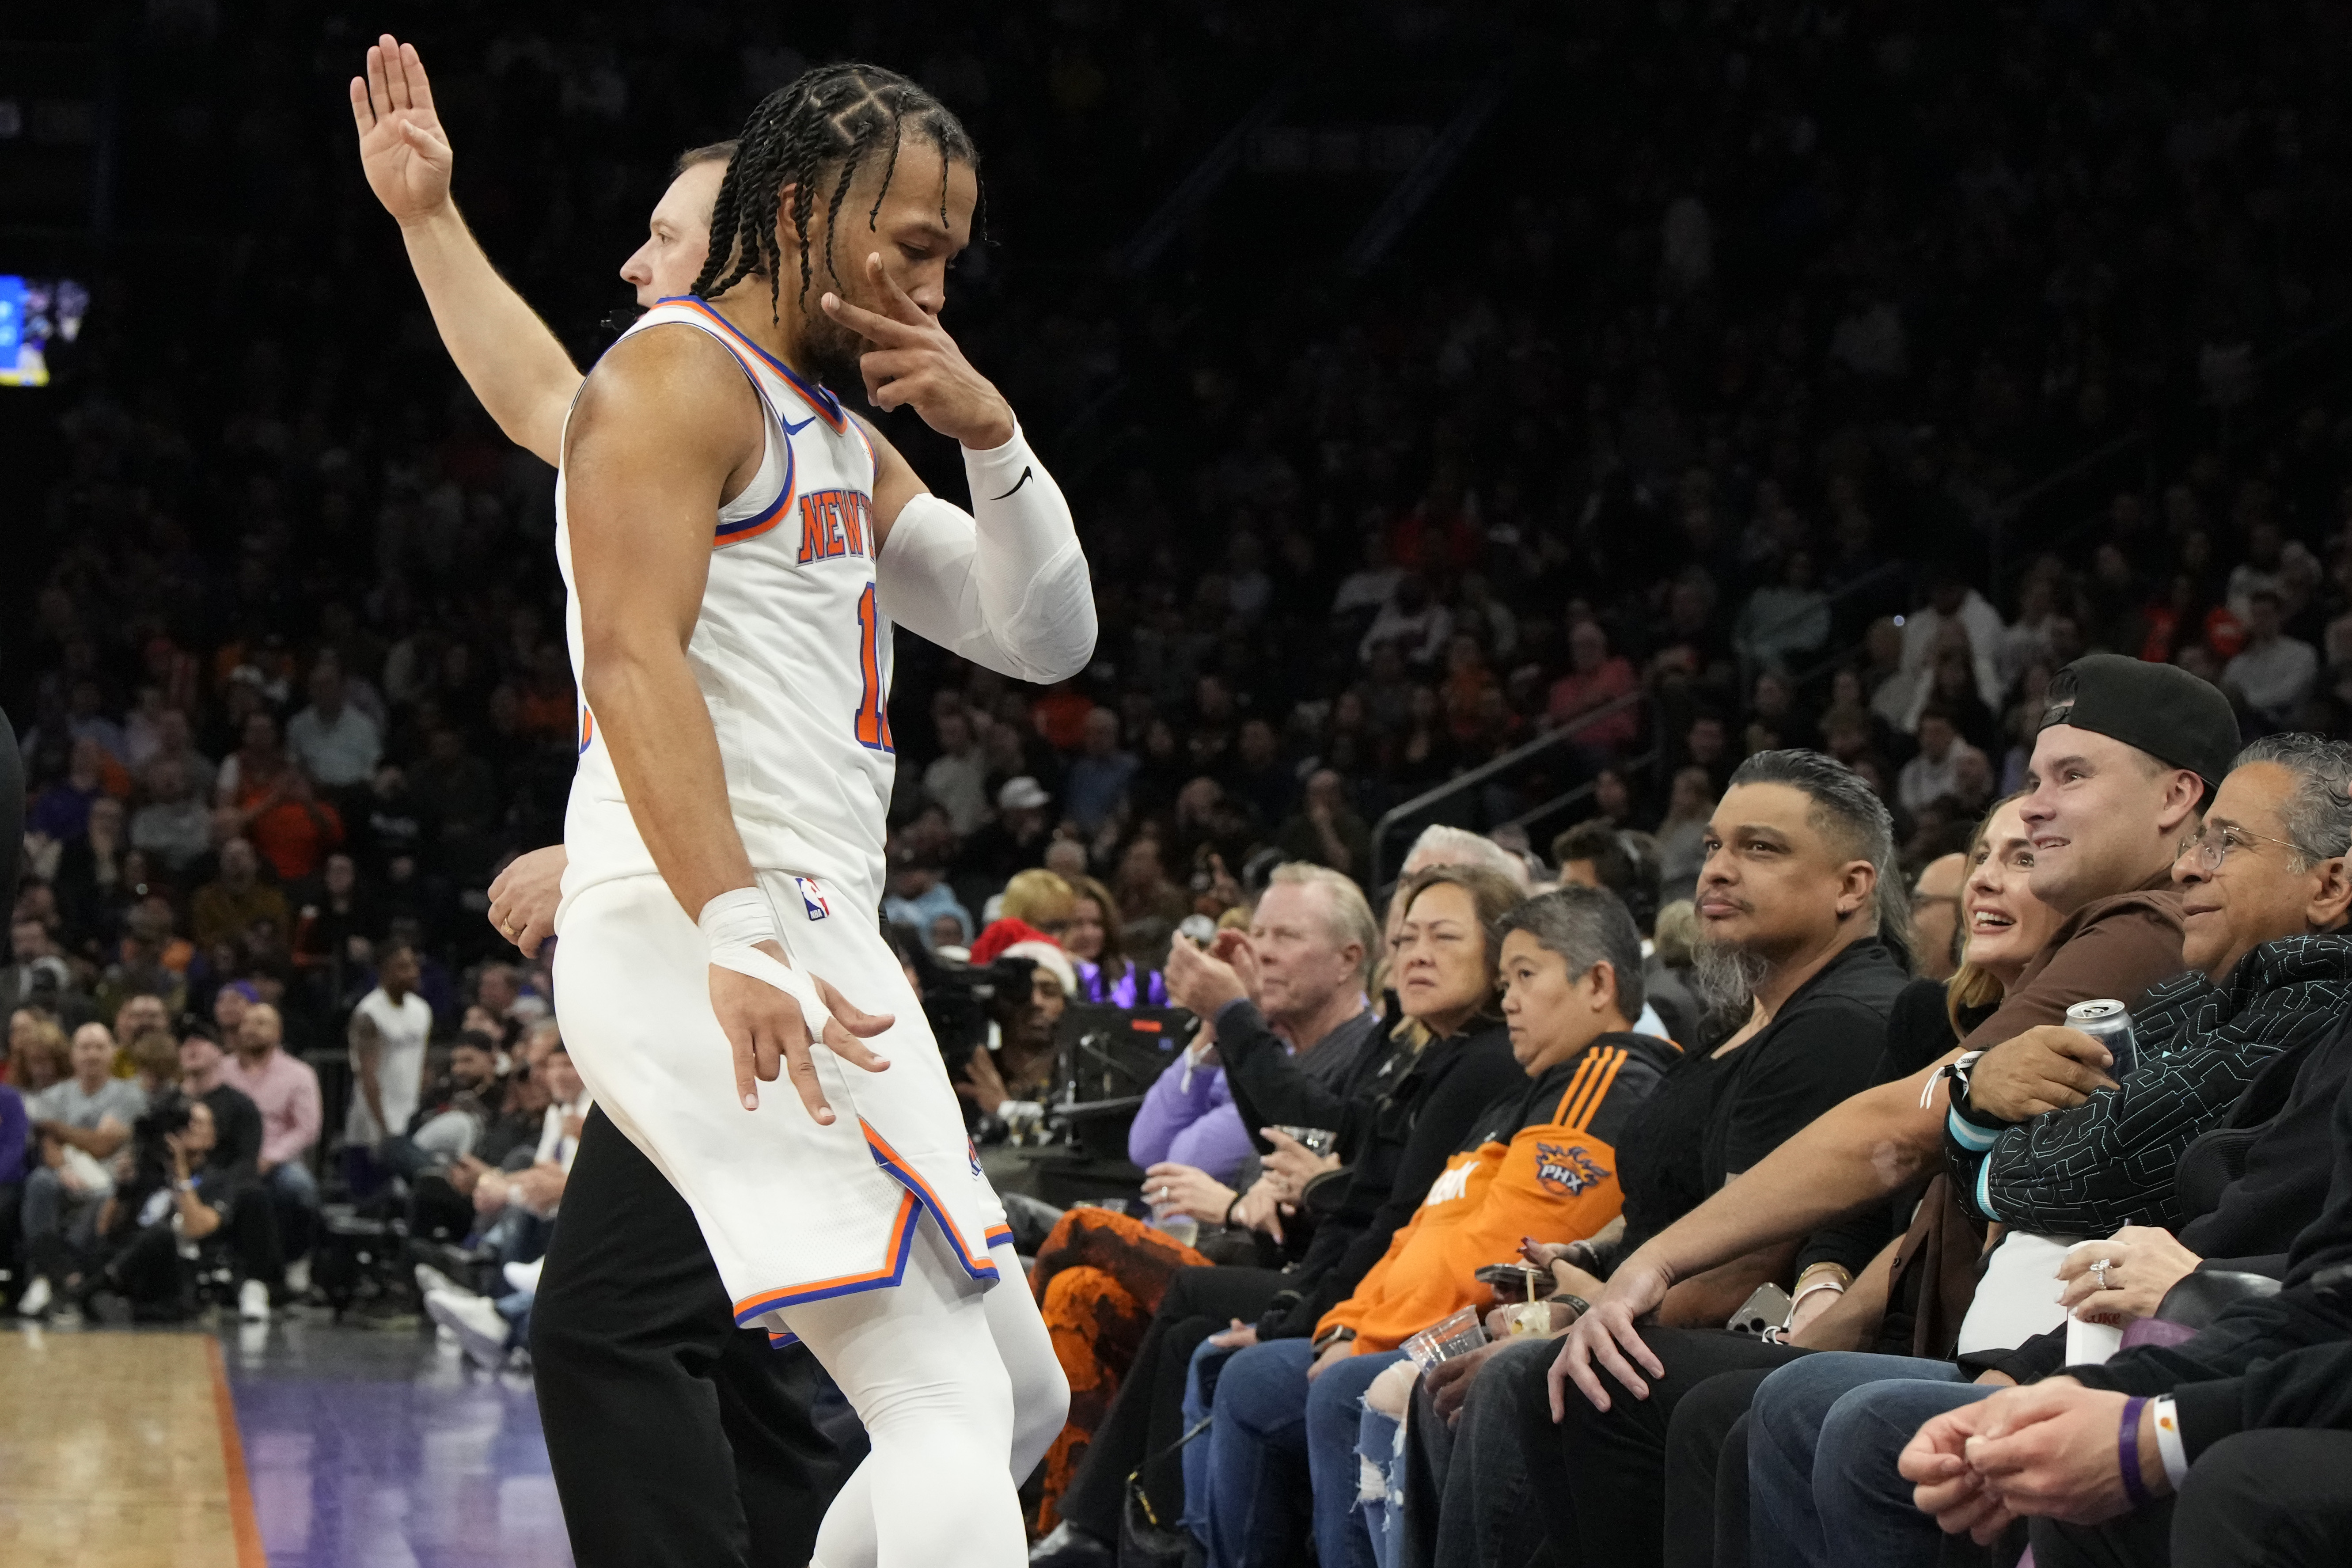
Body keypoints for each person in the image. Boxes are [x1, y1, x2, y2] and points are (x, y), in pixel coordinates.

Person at [356, 41, 1087, 1565]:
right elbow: (634, 653)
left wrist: (991, 432)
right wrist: (728, 919)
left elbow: (1043, 634)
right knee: (933, 1390)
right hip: (738, 923)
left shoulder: (829, 424)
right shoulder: (676, 371)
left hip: (813, 919)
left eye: (950, 257)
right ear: (804, 206)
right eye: (913, 246)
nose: (934, 285)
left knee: (1015, 1393)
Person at [1744, 734, 2352, 1568]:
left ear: (2329, 883)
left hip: (2167, 1357)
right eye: (1985, 847)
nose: (2186, 869)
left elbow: (2066, 1177)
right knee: (1782, 1404)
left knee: (1836, 1418)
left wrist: (2125, 1404)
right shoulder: (2192, 993)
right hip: (2132, 1352)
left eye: (2224, 841)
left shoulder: (2297, 1002)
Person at [1409, 748, 1914, 1568]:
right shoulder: (1746, 1017)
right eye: (1712, 845)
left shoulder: (1841, 1022)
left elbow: (1749, 1262)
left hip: (1742, 1331)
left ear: (1851, 886)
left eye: (1759, 848)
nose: (1715, 869)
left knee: (1510, 1377)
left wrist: (1581, 1313)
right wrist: (1586, 1260)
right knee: (1438, 1359)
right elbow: (1670, 1199)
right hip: (1650, 1304)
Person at [1210, 885, 1677, 1568]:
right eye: (1506, 978)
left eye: (1525, 976)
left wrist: (1360, 1336)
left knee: (1329, 1386)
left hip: (1510, 1327)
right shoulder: (1525, 1088)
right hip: (1413, 1319)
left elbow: (1500, 1252)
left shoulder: (1606, 1076)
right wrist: (1344, 1322)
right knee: (1248, 1368)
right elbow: (1419, 1232)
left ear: (1599, 982)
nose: (1508, 998)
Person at [1026, 862, 1381, 1536]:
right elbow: (1150, 1144)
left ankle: (1075, 1514)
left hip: (1282, 1278)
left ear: (1348, 961)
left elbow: (1307, 1179)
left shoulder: (1361, 1056)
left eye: (1286, 936)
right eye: (1260, 932)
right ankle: (1055, 1525)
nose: (1264, 950)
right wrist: (1219, 1029)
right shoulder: (1278, 1053)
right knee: (1075, 1293)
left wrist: (1235, 1016)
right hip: (1226, 1254)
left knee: (1080, 1229)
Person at [15, 1021, 146, 1320]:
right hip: (68, 1174)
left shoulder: (130, 1094)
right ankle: (58, 1277)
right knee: (39, 1181)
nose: (92, 1054)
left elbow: (103, 1146)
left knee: (106, 1192)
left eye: (100, 1047)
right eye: (85, 1047)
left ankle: (56, 1278)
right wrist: (61, 1166)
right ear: (73, 1055)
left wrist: (60, 1129)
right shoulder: (55, 1095)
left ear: (113, 1053)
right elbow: (49, 1145)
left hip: (110, 1177)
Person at [218, 1001, 323, 1297]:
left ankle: (297, 1259)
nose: (251, 1029)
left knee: (300, 1188)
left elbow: (307, 1128)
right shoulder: (222, 1071)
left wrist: (269, 1158)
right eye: (247, 1023)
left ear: (277, 1033)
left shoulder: (299, 1074)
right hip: (231, 1159)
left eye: (261, 1023)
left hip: (277, 1159)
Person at [345, 941, 432, 1193]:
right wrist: (382, 1130)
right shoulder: (369, 1013)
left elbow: (422, 1062)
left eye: (414, 966)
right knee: (370, 1210)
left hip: (410, 1118)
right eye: (403, 968)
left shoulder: (422, 1010)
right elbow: (367, 1075)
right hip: (373, 1125)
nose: (413, 973)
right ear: (384, 971)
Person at [1064, 875, 1167, 1007]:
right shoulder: (1047, 982)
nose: (1088, 934)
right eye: (1077, 924)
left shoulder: (1143, 982)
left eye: (1097, 924)